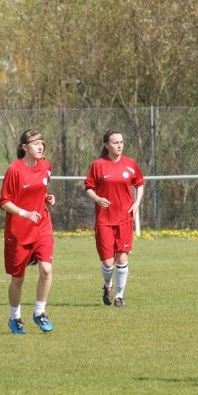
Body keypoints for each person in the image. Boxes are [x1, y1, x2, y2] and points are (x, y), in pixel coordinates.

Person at [0, 129, 56, 334]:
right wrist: (24, 213)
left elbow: (39, 190)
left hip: (42, 226)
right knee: (18, 278)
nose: (40, 146)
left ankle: (39, 313)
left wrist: (47, 198)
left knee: (46, 270)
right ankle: (15, 318)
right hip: (19, 231)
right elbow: (4, 202)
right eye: (35, 143)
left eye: (42, 142)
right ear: (24, 147)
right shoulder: (14, 169)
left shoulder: (46, 166)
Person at [84, 130, 145, 307]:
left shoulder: (130, 164)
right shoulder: (98, 165)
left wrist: (137, 203)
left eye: (121, 142)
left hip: (125, 218)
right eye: (115, 142)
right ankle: (108, 285)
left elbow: (139, 183)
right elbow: (88, 188)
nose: (119, 145)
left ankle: (119, 296)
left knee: (122, 259)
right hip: (104, 219)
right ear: (106, 145)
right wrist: (97, 198)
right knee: (108, 262)